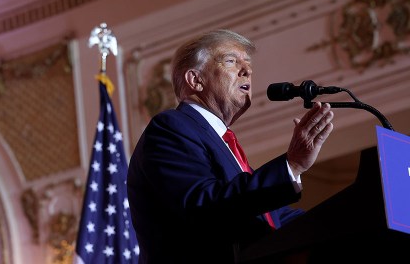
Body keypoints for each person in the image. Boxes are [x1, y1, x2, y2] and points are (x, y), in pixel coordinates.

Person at [127, 29, 334, 263]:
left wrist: (341, 222)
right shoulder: (171, 127)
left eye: (248, 64)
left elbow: (270, 219)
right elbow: (204, 205)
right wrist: (291, 165)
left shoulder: (222, 143)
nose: (247, 71)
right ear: (195, 79)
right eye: (231, 61)